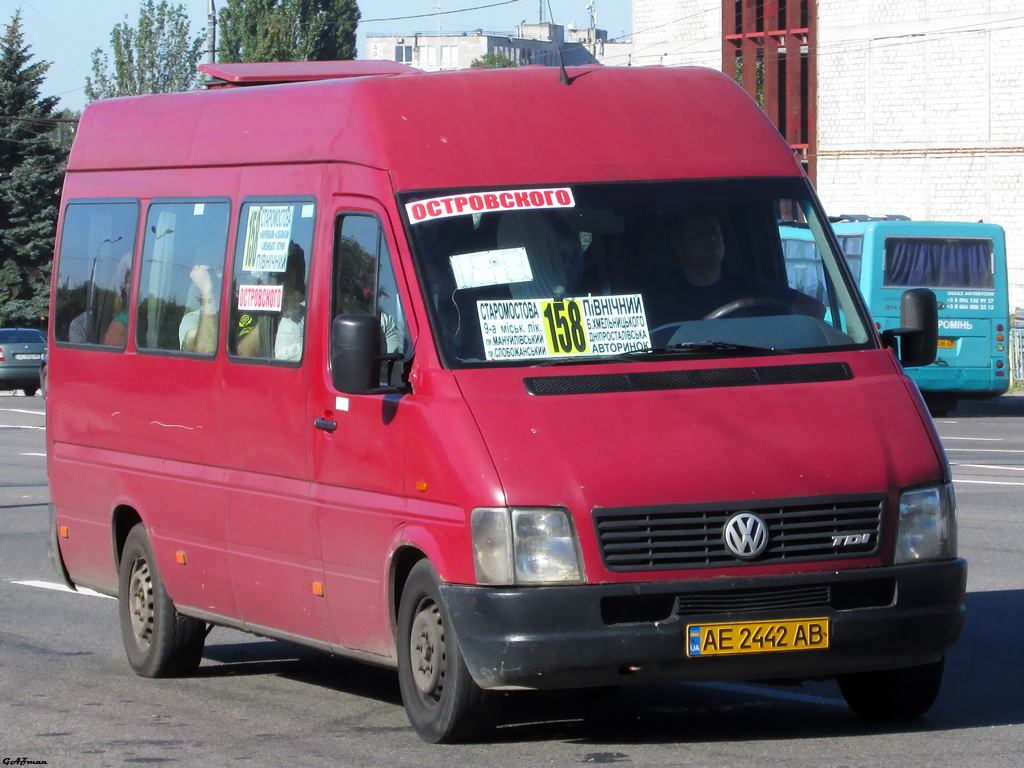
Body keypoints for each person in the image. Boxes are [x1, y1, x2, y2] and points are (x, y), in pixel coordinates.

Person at [179, 255, 222, 354]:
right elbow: (205, 350)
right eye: (216, 270)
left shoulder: (240, 315)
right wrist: (206, 291)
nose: (221, 275)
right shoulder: (193, 319)